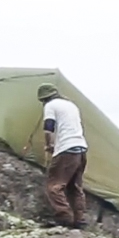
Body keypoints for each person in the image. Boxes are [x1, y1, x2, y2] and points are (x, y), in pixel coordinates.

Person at [37, 83, 89, 228]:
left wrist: (49, 145)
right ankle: (80, 220)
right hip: (81, 148)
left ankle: (64, 218)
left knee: (54, 185)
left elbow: (48, 128)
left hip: (66, 149)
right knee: (75, 186)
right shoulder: (71, 105)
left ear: (43, 99)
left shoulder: (50, 106)